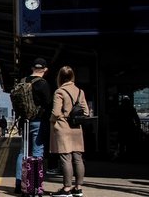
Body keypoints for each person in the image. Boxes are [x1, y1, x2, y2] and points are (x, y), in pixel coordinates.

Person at [50, 65, 89, 197]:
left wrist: (54, 120)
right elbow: (86, 112)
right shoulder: (80, 91)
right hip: (77, 128)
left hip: (64, 127)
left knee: (66, 158)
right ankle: (78, 188)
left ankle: (67, 188)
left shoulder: (59, 92)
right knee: (78, 158)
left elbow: (55, 112)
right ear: (72, 76)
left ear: (60, 77)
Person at [14, 57, 52, 194]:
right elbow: (48, 104)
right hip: (38, 121)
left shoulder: (22, 82)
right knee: (37, 153)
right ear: (45, 69)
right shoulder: (43, 84)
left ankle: (20, 184)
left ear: (32, 68)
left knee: (22, 153)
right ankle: (35, 185)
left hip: (24, 121)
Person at [117, 95, 141, 160]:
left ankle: (121, 155)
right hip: (130, 127)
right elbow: (136, 118)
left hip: (122, 127)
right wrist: (138, 127)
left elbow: (117, 118)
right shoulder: (131, 108)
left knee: (122, 142)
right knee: (129, 142)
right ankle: (129, 155)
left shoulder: (120, 108)